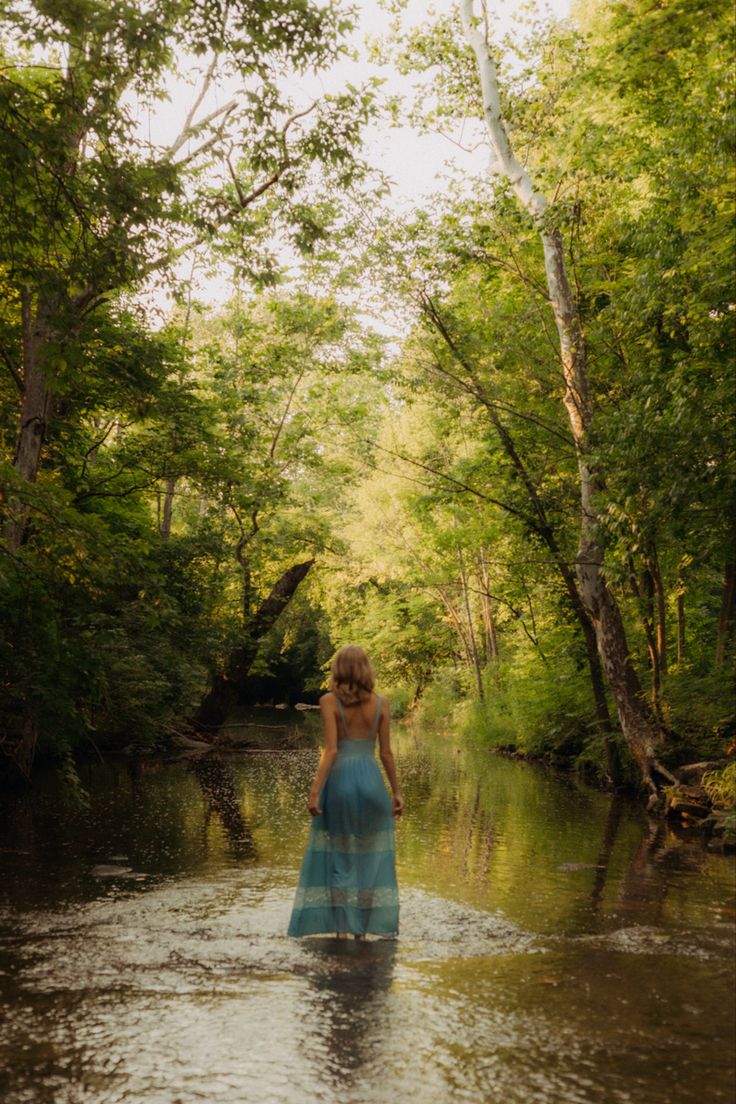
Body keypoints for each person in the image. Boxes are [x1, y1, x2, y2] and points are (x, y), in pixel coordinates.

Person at [287, 645, 403, 939]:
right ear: (366, 669)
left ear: (338, 669)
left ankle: (340, 930)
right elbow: (387, 753)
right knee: (367, 860)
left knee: (339, 859)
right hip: (372, 784)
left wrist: (314, 792)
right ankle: (361, 932)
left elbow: (331, 750)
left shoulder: (328, 701)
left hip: (340, 785)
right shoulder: (382, 703)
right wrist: (397, 792)